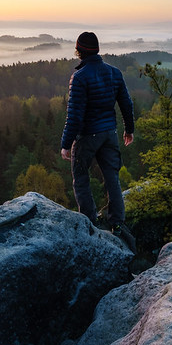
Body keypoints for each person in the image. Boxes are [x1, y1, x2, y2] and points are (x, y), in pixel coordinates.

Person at [60, 31, 135, 248]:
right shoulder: (114, 72)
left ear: (79, 51)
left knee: (81, 178)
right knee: (112, 177)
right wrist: (129, 129)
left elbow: (74, 115)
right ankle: (117, 223)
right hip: (109, 133)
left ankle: (90, 223)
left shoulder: (80, 77)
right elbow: (126, 103)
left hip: (87, 137)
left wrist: (66, 144)